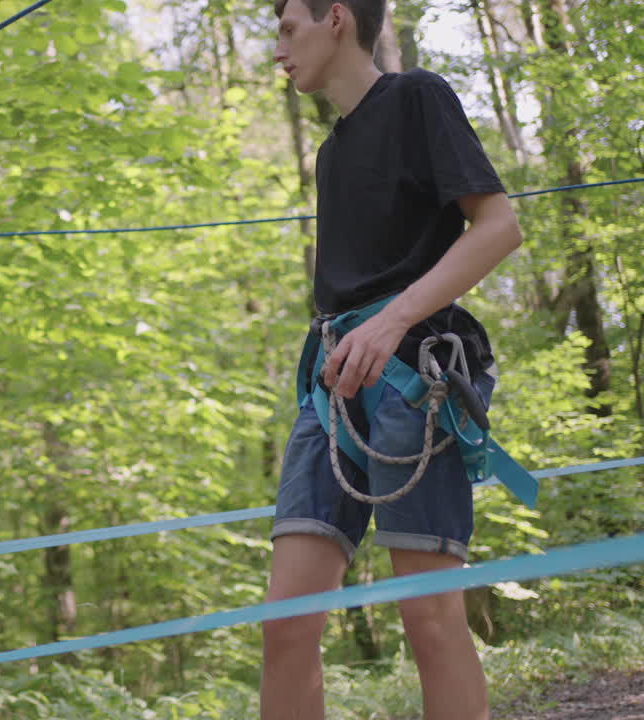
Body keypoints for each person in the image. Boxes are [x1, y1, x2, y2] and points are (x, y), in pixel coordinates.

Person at [265, 1, 523, 718]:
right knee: (286, 620)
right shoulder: (332, 150)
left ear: (336, 18)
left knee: (430, 621)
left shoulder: (418, 98)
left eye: (289, 29)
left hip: (415, 381)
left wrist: (393, 319)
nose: (279, 50)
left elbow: (499, 225)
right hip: (333, 388)